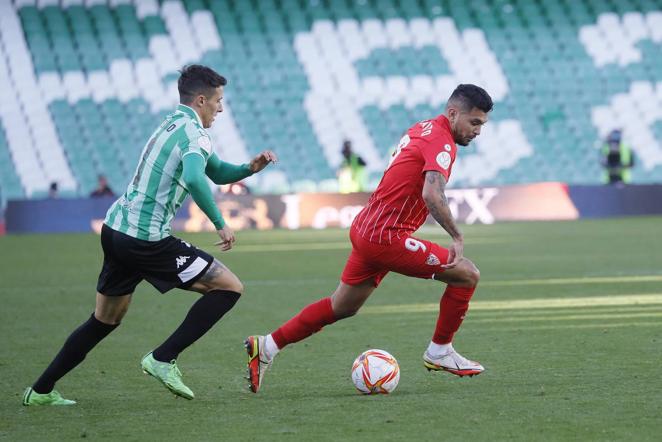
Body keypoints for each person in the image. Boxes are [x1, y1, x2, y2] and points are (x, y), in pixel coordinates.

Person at [22, 64, 278, 406]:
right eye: (218, 101)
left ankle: (39, 392)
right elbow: (195, 177)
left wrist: (248, 168)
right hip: (145, 239)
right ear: (201, 99)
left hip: (116, 230)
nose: (221, 108)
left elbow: (214, 171)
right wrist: (219, 221)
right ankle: (163, 358)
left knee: (105, 319)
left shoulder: (173, 125)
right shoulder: (195, 135)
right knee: (229, 287)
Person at [245, 84, 493, 393]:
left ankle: (266, 346)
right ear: (453, 113)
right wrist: (455, 234)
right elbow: (432, 192)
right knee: (467, 275)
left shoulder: (423, 128)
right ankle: (440, 351)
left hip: (367, 228)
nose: (478, 131)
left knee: (342, 306)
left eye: (482, 124)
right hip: (385, 236)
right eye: (475, 123)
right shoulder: (441, 142)